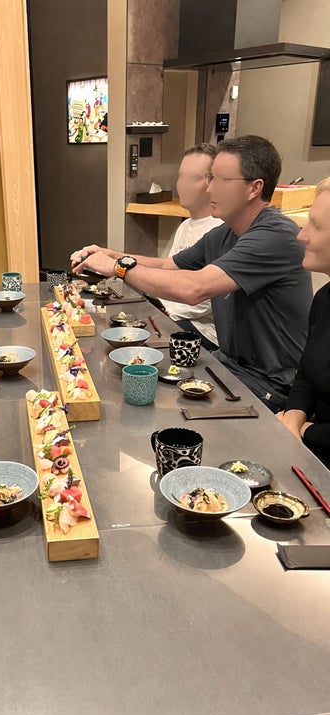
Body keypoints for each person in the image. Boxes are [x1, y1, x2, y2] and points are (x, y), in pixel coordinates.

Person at [71, 135, 312, 413]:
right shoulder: (223, 234)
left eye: (220, 180)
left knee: (151, 411)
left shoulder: (274, 236)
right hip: (228, 366)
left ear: (254, 188)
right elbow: (167, 265)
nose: (209, 188)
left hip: (269, 386)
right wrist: (111, 254)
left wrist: (118, 268)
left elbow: (194, 288)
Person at [275, 177, 330, 469]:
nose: (301, 236)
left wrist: (305, 431)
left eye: (316, 226)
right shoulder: (324, 298)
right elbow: (306, 375)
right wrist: (292, 418)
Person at [158, 143, 223, 352]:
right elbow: (168, 271)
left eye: (193, 178)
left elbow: (208, 297)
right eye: (181, 177)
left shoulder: (221, 230)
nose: (183, 185)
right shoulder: (185, 226)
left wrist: (166, 312)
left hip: (205, 331)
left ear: (212, 183)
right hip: (175, 315)